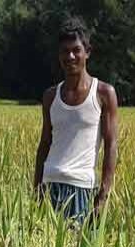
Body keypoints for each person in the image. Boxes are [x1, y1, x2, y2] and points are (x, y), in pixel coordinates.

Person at [34, 18, 119, 225]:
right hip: (50, 183)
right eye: (64, 51)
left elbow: (111, 145)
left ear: (87, 52)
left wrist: (104, 194)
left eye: (76, 50)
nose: (70, 56)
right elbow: (44, 143)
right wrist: (36, 187)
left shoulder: (104, 93)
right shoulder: (50, 96)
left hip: (81, 187)